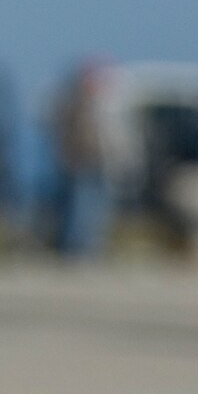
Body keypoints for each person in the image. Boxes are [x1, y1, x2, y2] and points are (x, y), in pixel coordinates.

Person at [51, 59, 119, 257]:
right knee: (81, 208)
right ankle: (77, 249)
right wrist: (71, 158)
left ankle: (88, 247)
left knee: (94, 209)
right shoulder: (76, 102)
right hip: (82, 162)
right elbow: (69, 135)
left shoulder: (97, 103)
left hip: (96, 161)